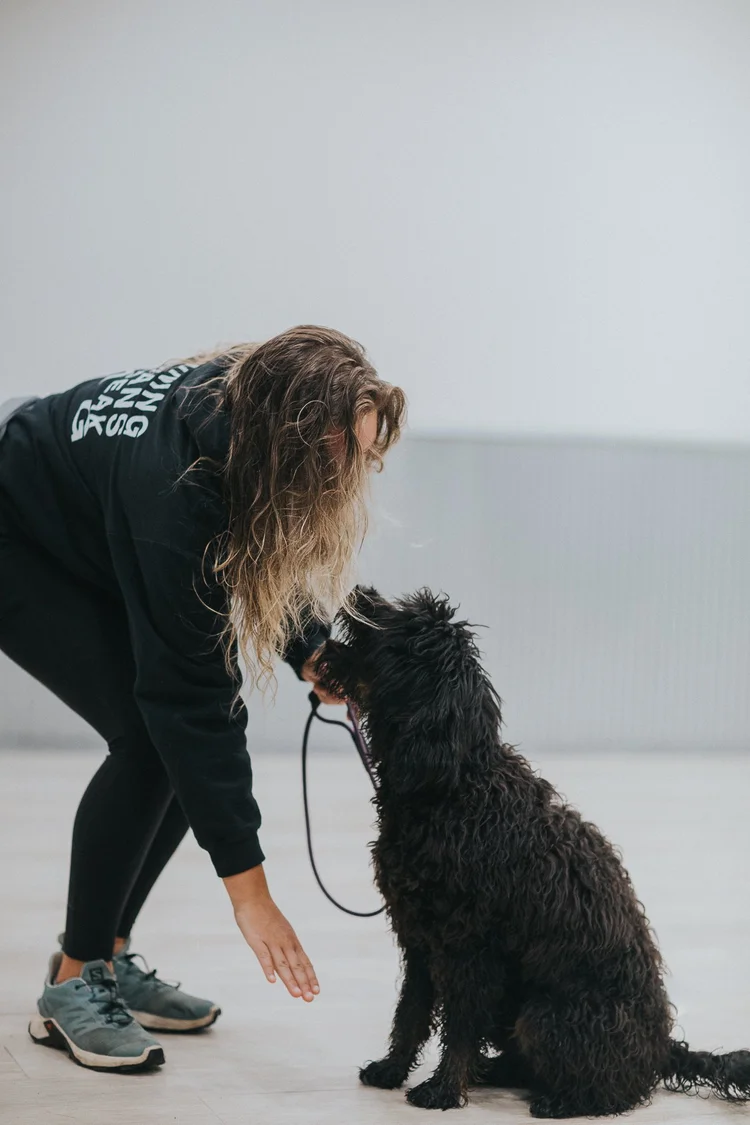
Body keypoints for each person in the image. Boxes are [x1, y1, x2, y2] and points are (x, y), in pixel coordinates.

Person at [0, 325, 406, 1072]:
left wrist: (312, 646)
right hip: (15, 532)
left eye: (366, 452)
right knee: (153, 737)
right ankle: (71, 980)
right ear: (292, 441)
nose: (354, 476)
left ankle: (108, 957)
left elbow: (250, 541)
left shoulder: (246, 407)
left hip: (82, 520)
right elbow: (189, 704)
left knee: (172, 746)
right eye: (347, 452)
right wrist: (250, 892)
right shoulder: (175, 493)